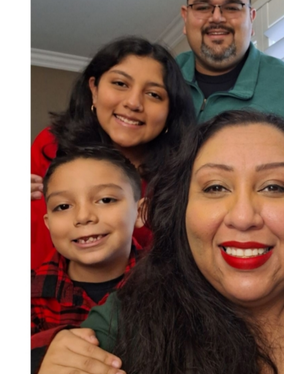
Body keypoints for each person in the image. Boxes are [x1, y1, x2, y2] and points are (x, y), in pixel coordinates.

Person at [31, 110, 284, 374]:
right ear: (181, 211)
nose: (243, 216)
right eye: (215, 187)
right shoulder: (125, 317)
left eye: (274, 187)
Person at [31, 36, 196, 270]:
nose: (133, 103)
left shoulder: (184, 177)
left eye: (153, 94)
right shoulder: (50, 146)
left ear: (170, 112)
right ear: (94, 90)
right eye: (120, 83)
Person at [176, 0, 284, 189]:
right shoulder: (162, 75)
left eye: (232, 7)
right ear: (185, 17)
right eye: (202, 7)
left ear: (251, 18)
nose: (217, 18)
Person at [32, 146, 146, 335]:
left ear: (140, 212)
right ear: (48, 223)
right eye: (63, 206)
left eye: (106, 200)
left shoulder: (173, 285)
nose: (83, 216)